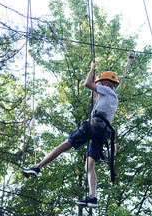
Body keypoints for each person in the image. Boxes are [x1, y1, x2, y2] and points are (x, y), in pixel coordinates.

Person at [22, 61, 119, 208]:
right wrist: (93, 75)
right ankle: (92, 198)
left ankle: (38, 167)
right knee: (89, 166)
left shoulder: (108, 91)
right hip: (102, 132)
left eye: (100, 84)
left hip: (94, 126)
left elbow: (87, 84)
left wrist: (92, 69)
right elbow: (94, 97)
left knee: (65, 145)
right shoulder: (110, 96)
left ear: (105, 83)